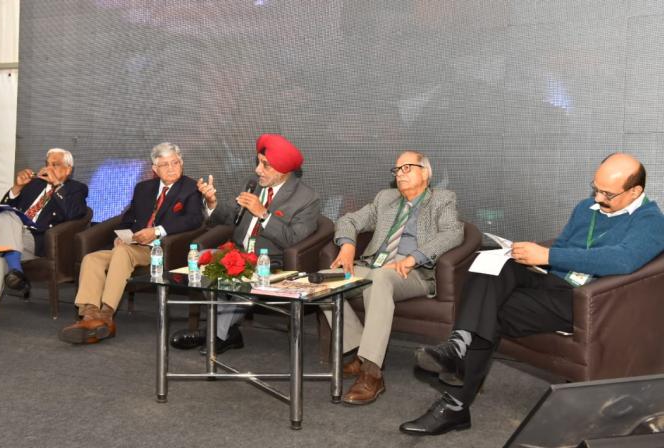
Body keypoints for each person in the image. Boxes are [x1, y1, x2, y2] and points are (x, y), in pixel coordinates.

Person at [400, 153, 664, 436]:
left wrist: (547, 255)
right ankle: (458, 347)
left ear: (635, 191)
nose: (597, 198)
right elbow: (563, 245)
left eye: (607, 193)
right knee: (491, 263)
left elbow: (621, 260)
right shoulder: (586, 207)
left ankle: (455, 401)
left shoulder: (651, 221)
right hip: (552, 283)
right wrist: (532, 256)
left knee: (487, 311)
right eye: (595, 188)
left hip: (588, 299)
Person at [324, 150, 464, 406]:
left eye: (407, 168)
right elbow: (349, 220)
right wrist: (347, 245)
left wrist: (415, 257)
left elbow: (453, 233)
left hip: (412, 273)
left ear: (426, 173)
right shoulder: (385, 199)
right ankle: (361, 351)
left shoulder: (442, 199)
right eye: (397, 170)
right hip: (373, 265)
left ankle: (371, 373)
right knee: (324, 280)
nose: (400, 174)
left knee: (380, 279)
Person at [170, 134, 320, 353]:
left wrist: (263, 214)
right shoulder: (254, 185)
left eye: (265, 165)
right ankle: (227, 332)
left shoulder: (306, 198)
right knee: (202, 261)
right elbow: (233, 218)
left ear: (283, 169)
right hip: (237, 252)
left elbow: (293, 238)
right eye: (258, 162)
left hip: (270, 261)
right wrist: (213, 202)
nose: (258, 170)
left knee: (242, 274)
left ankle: (213, 334)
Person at [58, 143, 203, 344]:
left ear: (182, 163)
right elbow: (129, 217)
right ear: (155, 169)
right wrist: (122, 235)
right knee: (92, 259)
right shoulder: (143, 188)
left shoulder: (190, 188)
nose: (171, 168)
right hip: (131, 245)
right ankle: (90, 316)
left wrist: (157, 231)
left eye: (175, 163)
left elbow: (194, 219)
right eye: (165, 165)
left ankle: (106, 315)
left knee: (122, 254)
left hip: (159, 250)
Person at [0, 148, 88, 332]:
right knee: (4, 220)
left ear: (68, 169)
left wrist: (58, 185)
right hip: (14, 236)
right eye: (47, 164)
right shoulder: (34, 184)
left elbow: (75, 213)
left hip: (38, 240)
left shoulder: (76, 189)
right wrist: (17, 187)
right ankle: (15, 272)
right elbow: (5, 208)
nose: (48, 168)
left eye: (55, 165)